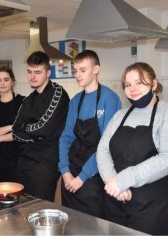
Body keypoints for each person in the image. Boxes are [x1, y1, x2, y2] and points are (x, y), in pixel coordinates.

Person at [96, 62, 168, 234]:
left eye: (139, 82)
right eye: (128, 84)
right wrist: (112, 181)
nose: (133, 88)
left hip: (152, 203)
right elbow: (103, 149)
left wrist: (122, 180)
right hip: (116, 197)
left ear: (154, 84)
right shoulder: (120, 116)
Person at [58, 50, 121, 218]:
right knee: (70, 221)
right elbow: (66, 138)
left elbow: (106, 145)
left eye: (83, 70)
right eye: (75, 70)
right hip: (72, 171)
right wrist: (65, 171)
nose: (77, 75)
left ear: (96, 69)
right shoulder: (75, 100)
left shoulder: (110, 99)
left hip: (95, 173)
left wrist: (82, 177)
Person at [12, 51, 69, 201]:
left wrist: (26, 128)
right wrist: (33, 134)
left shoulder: (58, 93)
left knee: (40, 207)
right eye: (29, 72)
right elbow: (15, 130)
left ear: (48, 73)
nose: (32, 76)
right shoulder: (28, 99)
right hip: (25, 161)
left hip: (46, 163)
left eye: (38, 72)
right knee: (21, 205)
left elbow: (44, 128)